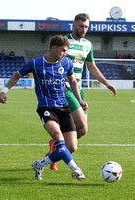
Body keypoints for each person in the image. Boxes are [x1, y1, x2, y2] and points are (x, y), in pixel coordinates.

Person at [0, 35, 87, 181]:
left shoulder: (67, 63)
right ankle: (75, 169)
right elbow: (17, 75)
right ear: (53, 48)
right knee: (58, 137)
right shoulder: (35, 63)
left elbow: (73, 82)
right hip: (46, 108)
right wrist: (4, 91)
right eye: (63, 50)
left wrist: (80, 100)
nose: (65, 53)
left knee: (71, 147)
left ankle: (39, 164)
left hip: (64, 108)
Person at [47, 13, 117, 170]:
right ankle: (58, 146)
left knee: (83, 130)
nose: (83, 29)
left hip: (78, 88)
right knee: (80, 123)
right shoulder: (63, 41)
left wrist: (107, 83)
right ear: (73, 25)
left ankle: (55, 149)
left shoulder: (88, 45)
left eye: (86, 27)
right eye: (81, 26)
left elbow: (92, 67)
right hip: (64, 88)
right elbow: (50, 61)